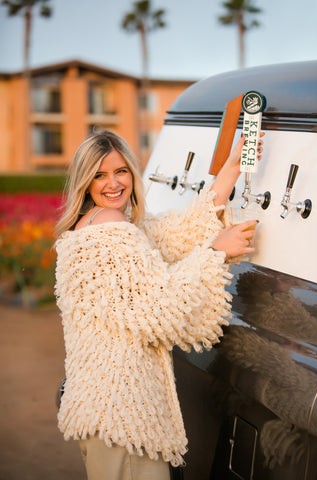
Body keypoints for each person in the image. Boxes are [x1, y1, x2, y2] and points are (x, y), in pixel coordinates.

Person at [54, 129, 263, 480]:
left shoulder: (102, 226)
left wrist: (232, 167)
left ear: (133, 173)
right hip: (121, 413)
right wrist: (216, 253)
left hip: (107, 412)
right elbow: (159, 306)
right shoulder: (109, 226)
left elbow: (179, 232)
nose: (113, 184)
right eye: (100, 175)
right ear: (85, 182)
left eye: (120, 171)